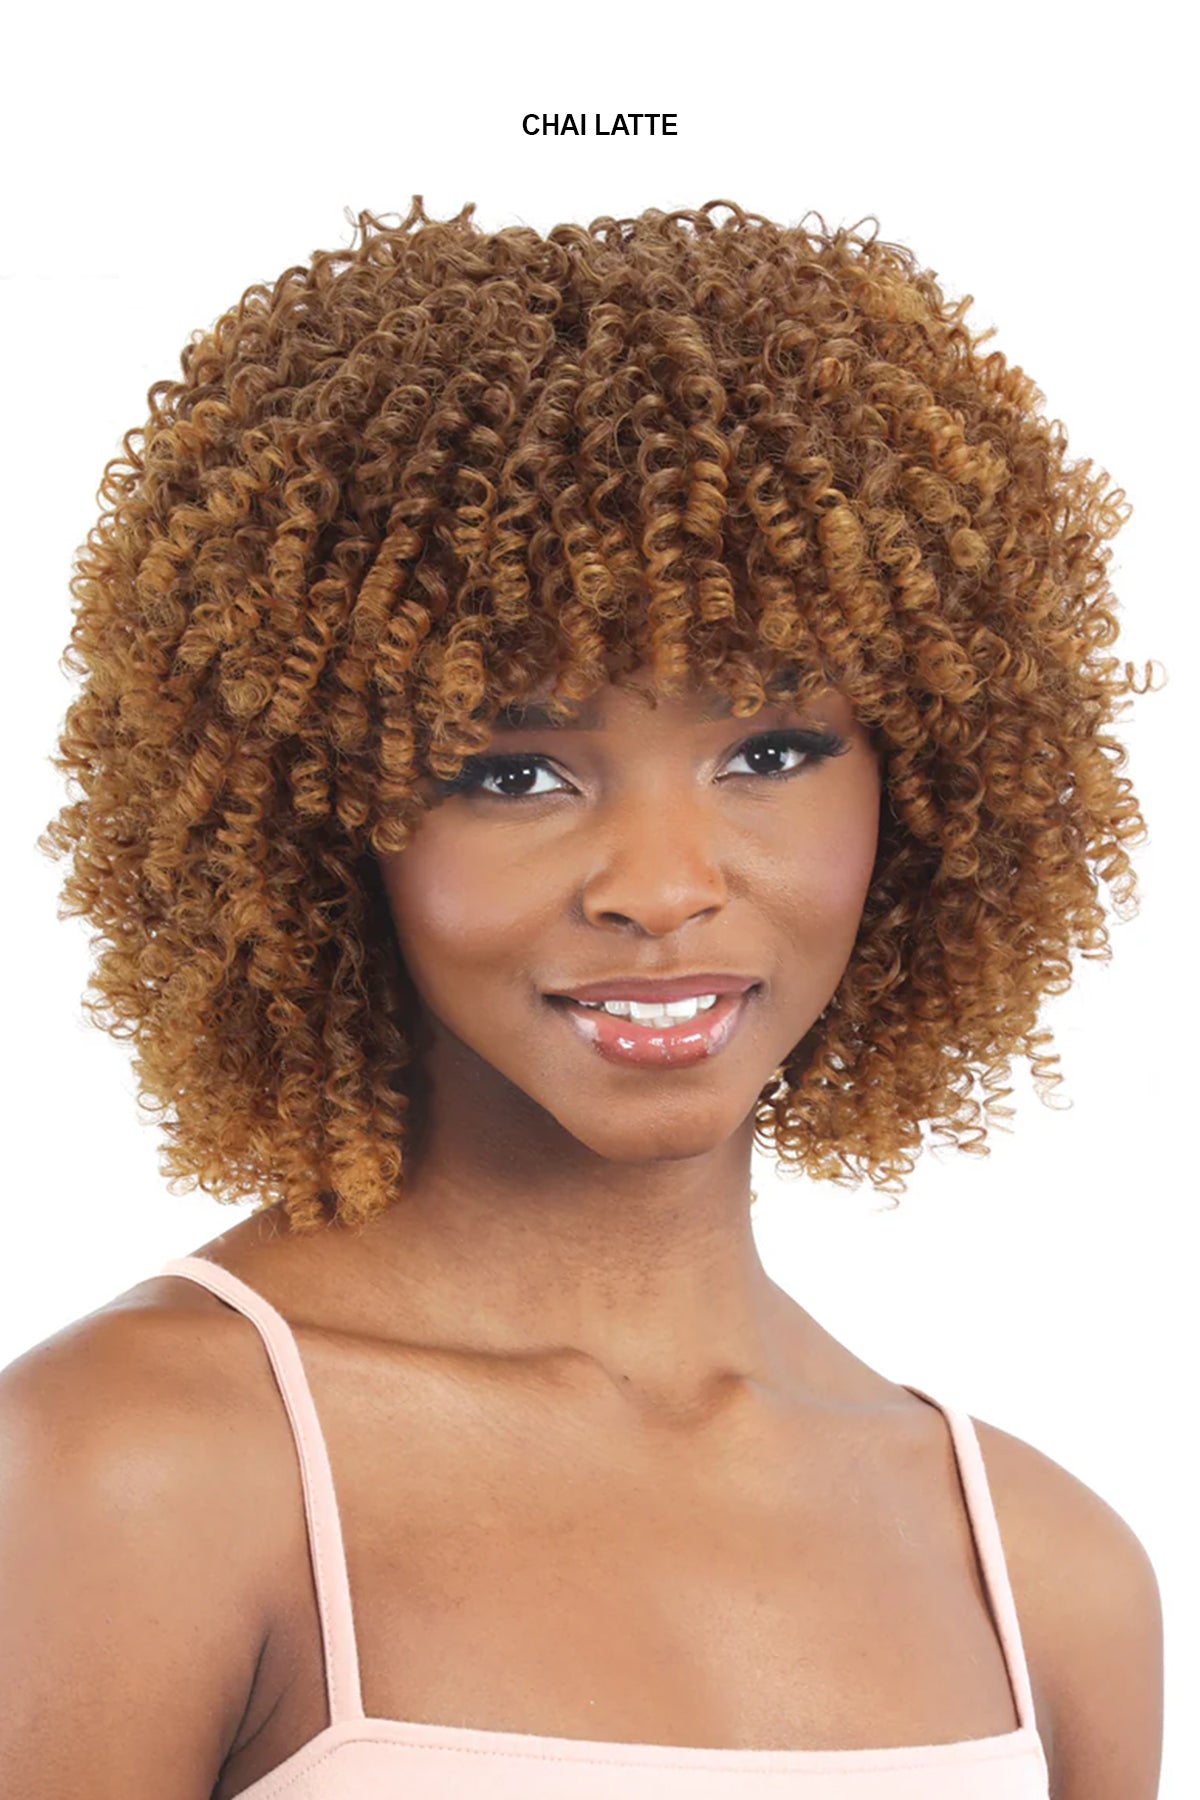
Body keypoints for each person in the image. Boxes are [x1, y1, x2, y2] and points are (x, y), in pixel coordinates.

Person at [3, 197, 1163, 1799]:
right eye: (514, 772)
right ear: (314, 820)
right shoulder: (131, 1471)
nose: (663, 885)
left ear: (933, 783)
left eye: (769, 751)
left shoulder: (1046, 1578)